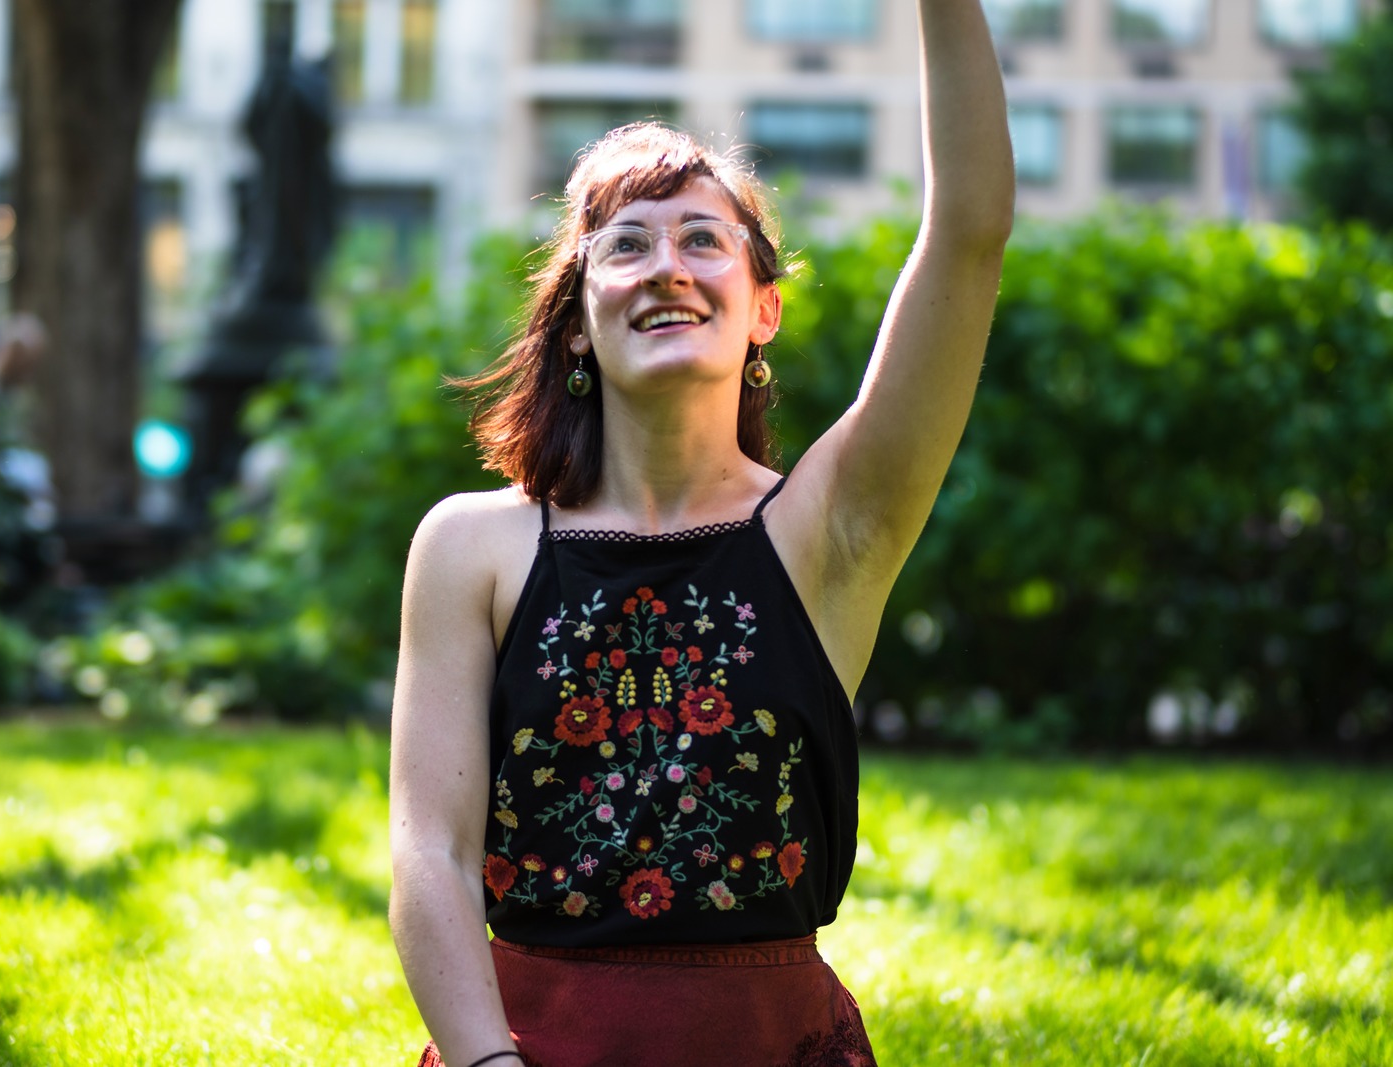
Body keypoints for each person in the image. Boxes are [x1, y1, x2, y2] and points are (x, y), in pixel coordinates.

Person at [389, 3, 1013, 1063]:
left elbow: (969, 230)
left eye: (702, 240)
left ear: (762, 306)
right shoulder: (470, 547)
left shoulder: (832, 529)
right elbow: (430, 852)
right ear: (579, 314)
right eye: (625, 245)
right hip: (528, 1044)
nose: (665, 266)